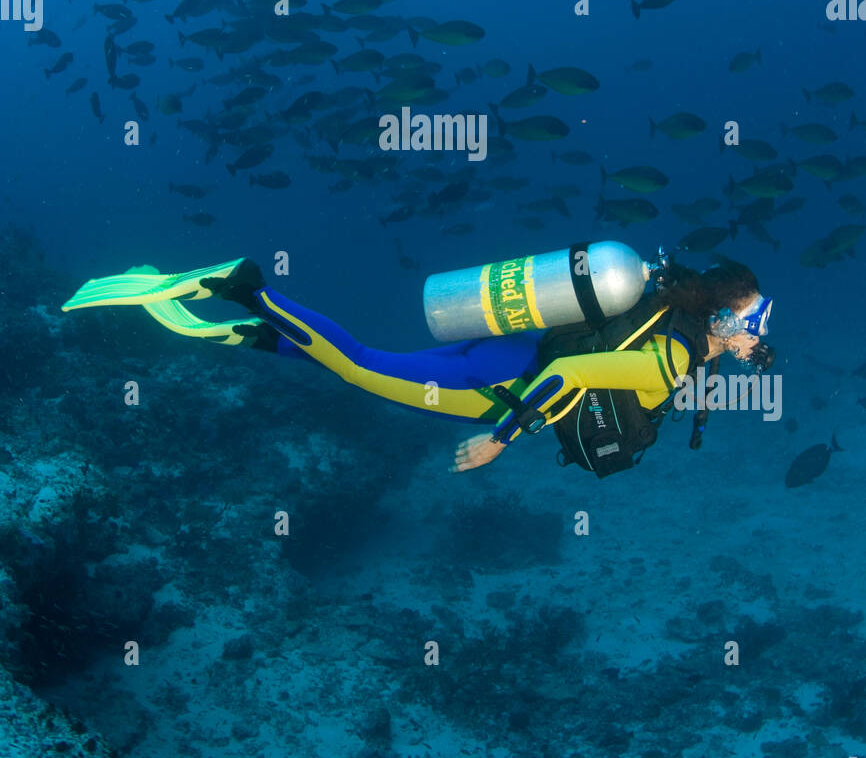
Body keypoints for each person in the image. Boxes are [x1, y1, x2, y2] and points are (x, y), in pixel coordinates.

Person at [61, 252, 774, 477]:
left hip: (507, 349)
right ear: (722, 318)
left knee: (362, 362)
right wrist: (504, 438)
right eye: (753, 322)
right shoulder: (670, 356)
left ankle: (242, 329)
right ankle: (245, 286)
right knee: (362, 367)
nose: (758, 337)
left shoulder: (668, 316)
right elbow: (573, 379)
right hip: (500, 387)